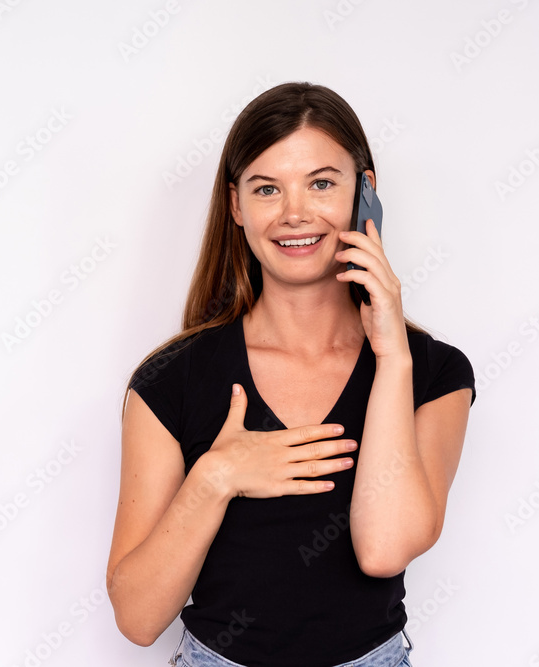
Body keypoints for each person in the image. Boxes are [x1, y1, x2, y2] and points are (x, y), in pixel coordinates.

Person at [107, 81, 476, 667]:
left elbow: (382, 548)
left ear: (366, 192)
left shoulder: (432, 373)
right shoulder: (169, 380)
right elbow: (138, 617)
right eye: (267, 189)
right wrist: (216, 477)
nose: (295, 213)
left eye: (322, 183)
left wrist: (393, 357)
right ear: (236, 206)